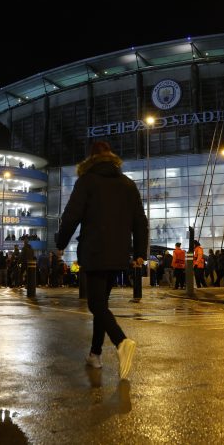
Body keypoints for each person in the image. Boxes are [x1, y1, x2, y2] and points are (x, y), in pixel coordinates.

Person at [56, 141, 147, 380]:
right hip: (119, 253)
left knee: (96, 305)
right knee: (102, 304)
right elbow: (140, 220)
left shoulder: (87, 181)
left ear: (92, 158)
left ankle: (121, 341)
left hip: (95, 251)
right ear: (112, 158)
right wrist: (139, 252)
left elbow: (71, 216)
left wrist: (60, 243)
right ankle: (95, 354)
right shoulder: (128, 184)